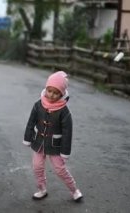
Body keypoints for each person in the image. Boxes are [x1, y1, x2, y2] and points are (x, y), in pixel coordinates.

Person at [22, 71, 83, 202]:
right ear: (46, 89)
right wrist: (28, 138)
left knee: (60, 169)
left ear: (62, 93)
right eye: (49, 91)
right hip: (38, 142)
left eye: (56, 93)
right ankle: (41, 189)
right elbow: (30, 122)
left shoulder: (64, 111)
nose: (51, 95)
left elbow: (68, 132)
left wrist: (65, 152)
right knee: (37, 166)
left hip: (55, 145)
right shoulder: (38, 105)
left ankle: (74, 190)